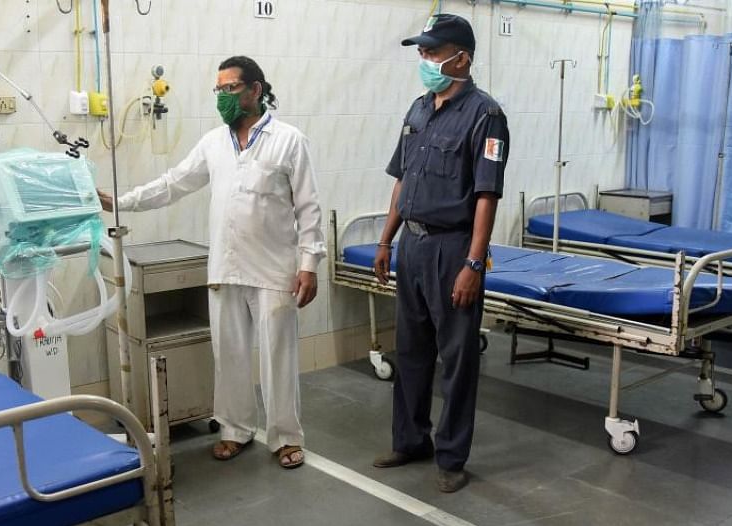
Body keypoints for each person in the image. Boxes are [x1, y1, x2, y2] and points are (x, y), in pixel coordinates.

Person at [99, 56, 325, 469]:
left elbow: (308, 207)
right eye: (218, 90)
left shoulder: (289, 140)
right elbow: (173, 184)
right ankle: (235, 429)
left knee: (278, 356)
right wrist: (122, 202)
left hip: (275, 268)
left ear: (256, 90)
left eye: (230, 89)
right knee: (230, 353)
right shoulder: (213, 143)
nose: (222, 98)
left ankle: (285, 437)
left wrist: (309, 263)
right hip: (226, 266)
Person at [370, 14, 511, 493]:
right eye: (423, 53)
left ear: (461, 57)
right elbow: (402, 180)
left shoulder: (485, 116)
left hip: (453, 249)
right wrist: (387, 239)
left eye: (432, 52)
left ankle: (451, 456)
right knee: (410, 351)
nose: (425, 60)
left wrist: (474, 263)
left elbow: (486, 197)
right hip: (411, 244)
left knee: (456, 357)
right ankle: (410, 440)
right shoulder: (418, 110)